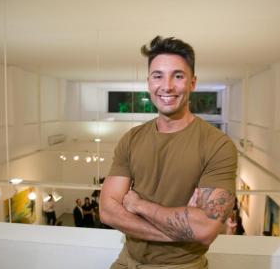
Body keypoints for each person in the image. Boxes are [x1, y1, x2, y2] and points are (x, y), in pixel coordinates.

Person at [100, 36, 237, 268]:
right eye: (158, 76)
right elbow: (107, 211)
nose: (167, 86)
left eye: (178, 76)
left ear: (192, 83)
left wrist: (139, 205)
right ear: (148, 82)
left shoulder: (218, 146)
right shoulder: (131, 139)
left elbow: (205, 228)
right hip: (127, 261)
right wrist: (181, 230)